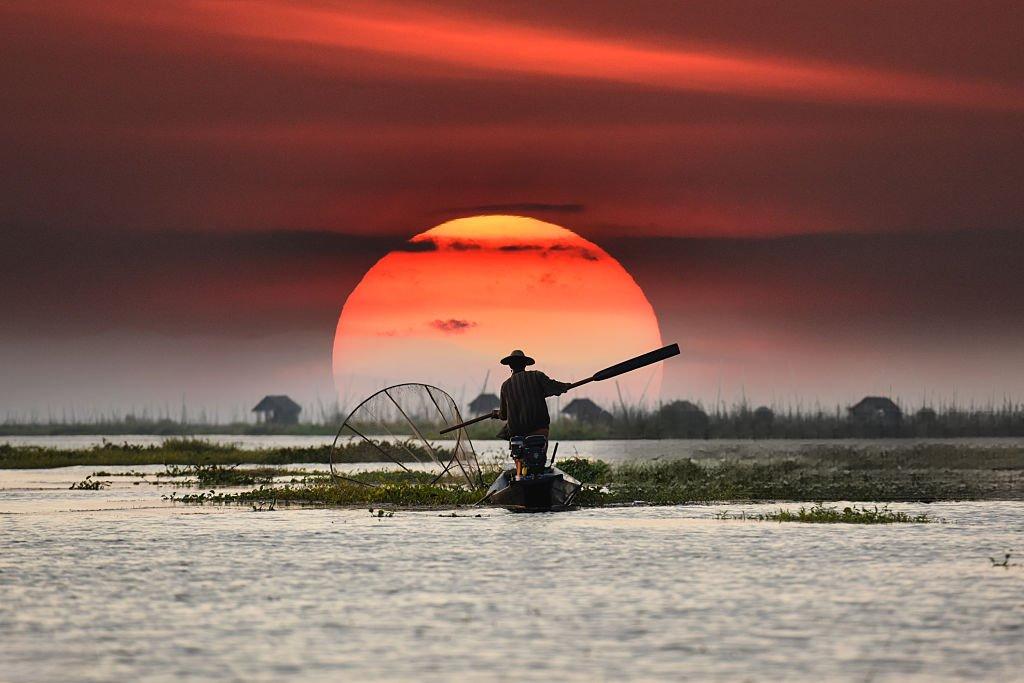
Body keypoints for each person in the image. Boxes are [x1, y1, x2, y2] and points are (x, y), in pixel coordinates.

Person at [491, 349, 571, 440]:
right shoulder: (537, 376)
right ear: (525, 364)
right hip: (540, 429)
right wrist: (566, 386)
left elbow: (503, 415)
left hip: (518, 433)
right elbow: (555, 387)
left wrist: (496, 414)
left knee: (515, 448)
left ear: (510, 365)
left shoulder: (506, 386)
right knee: (540, 450)